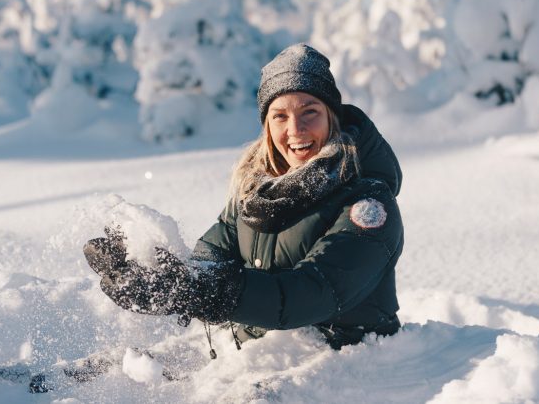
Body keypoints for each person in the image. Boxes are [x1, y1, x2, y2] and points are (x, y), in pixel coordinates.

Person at [84, 43, 404, 352]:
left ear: (332, 117)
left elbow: (310, 292)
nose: (296, 128)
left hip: (346, 361)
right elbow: (212, 255)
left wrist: (207, 292)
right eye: (280, 115)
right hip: (261, 352)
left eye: (310, 112)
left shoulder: (369, 203)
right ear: (266, 124)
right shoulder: (257, 190)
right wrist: (165, 272)